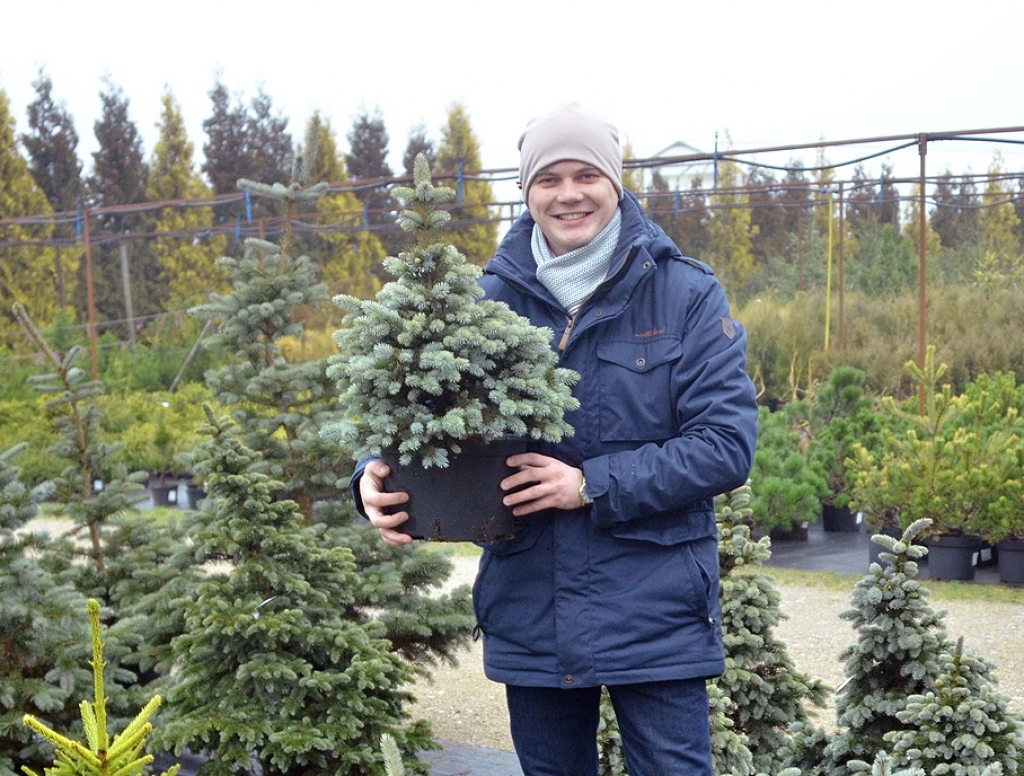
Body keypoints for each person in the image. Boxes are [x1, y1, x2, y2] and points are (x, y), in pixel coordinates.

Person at [354, 102, 759, 776]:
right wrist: (370, 472)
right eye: (549, 179)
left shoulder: (685, 295)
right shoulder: (483, 302)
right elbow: (409, 415)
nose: (568, 194)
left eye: (586, 175)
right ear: (526, 191)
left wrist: (589, 485)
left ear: (616, 183)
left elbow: (724, 444)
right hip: (531, 604)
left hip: (653, 608)